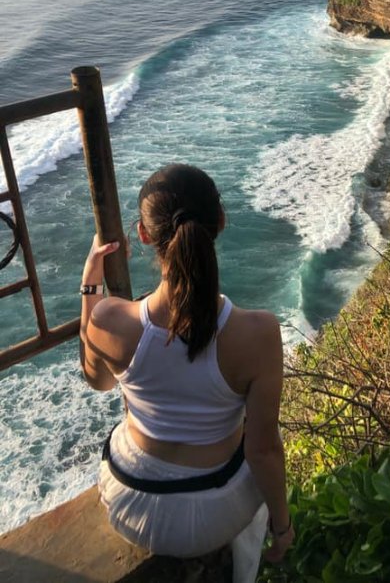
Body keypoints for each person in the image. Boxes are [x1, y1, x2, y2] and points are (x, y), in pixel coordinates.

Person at [79, 163, 294, 582]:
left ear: (142, 234)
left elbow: (99, 381)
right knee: (267, 434)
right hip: (216, 514)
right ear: (221, 223)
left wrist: (90, 290)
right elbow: (262, 452)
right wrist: (282, 527)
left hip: (131, 505)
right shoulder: (258, 333)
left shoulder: (110, 320)